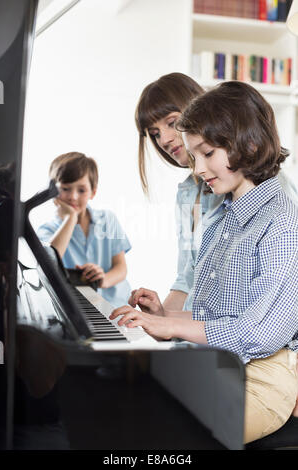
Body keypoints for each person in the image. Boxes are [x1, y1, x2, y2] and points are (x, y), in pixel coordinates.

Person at [111, 81, 298, 444]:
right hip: (216, 364)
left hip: (259, 379)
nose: (196, 169)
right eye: (194, 156)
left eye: (207, 153)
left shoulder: (281, 219)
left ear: (250, 144)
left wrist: (174, 329)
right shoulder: (226, 216)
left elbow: (260, 332)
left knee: (154, 432)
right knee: (114, 405)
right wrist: (163, 317)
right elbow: (215, 313)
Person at [135, 73, 298, 314]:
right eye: (155, 133)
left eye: (171, 123)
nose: (165, 140)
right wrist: (161, 318)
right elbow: (187, 280)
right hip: (200, 333)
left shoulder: (266, 188)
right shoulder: (187, 193)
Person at [37, 152, 131, 308]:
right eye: (65, 189)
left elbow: (121, 268)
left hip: (116, 306)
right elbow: (48, 266)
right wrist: (70, 219)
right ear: (53, 193)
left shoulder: (108, 219)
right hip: (79, 309)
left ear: (93, 192)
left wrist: (102, 279)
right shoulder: (47, 231)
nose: (73, 197)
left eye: (81, 190)